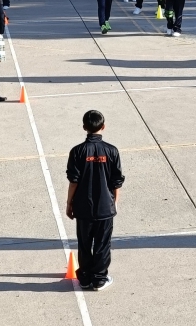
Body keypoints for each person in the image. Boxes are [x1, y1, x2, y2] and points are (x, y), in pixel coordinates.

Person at [65, 110, 124, 292]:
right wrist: (115, 203)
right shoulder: (112, 151)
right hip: (105, 207)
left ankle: (84, 278)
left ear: (84, 127)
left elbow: (73, 181)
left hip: (83, 207)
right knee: (102, 244)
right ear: (103, 127)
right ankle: (99, 279)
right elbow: (116, 181)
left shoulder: (77, 151)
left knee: (84, 243)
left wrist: (69, 203)